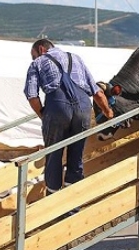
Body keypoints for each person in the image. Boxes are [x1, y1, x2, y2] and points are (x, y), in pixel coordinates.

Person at [24, 39, 114, 198]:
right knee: (76, 156)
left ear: (41, 49)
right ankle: (73, 203)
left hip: (57, 107)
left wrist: (44, 116)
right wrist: (108, 113)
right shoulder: (76, 58)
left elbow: (32, 96)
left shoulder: (38, 63)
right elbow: (98, 92)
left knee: (54, 155)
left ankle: (53, 199)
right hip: (83, 108)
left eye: (33, 55)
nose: (33, 58)